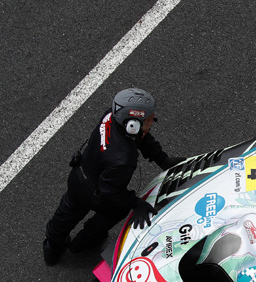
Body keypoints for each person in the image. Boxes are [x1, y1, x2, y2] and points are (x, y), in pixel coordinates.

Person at [42, 88, 184, 265]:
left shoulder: (112, 115)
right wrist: (136, 203)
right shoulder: (123, 159)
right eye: (149, 119)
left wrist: (162, 159)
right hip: (95, 193)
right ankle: (84, 242)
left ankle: (51, 247)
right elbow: (111, 191)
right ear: (132, 125)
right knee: (118, 209)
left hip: (78, 176)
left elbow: (141, 137)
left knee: (66, 213)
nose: (152, 122)